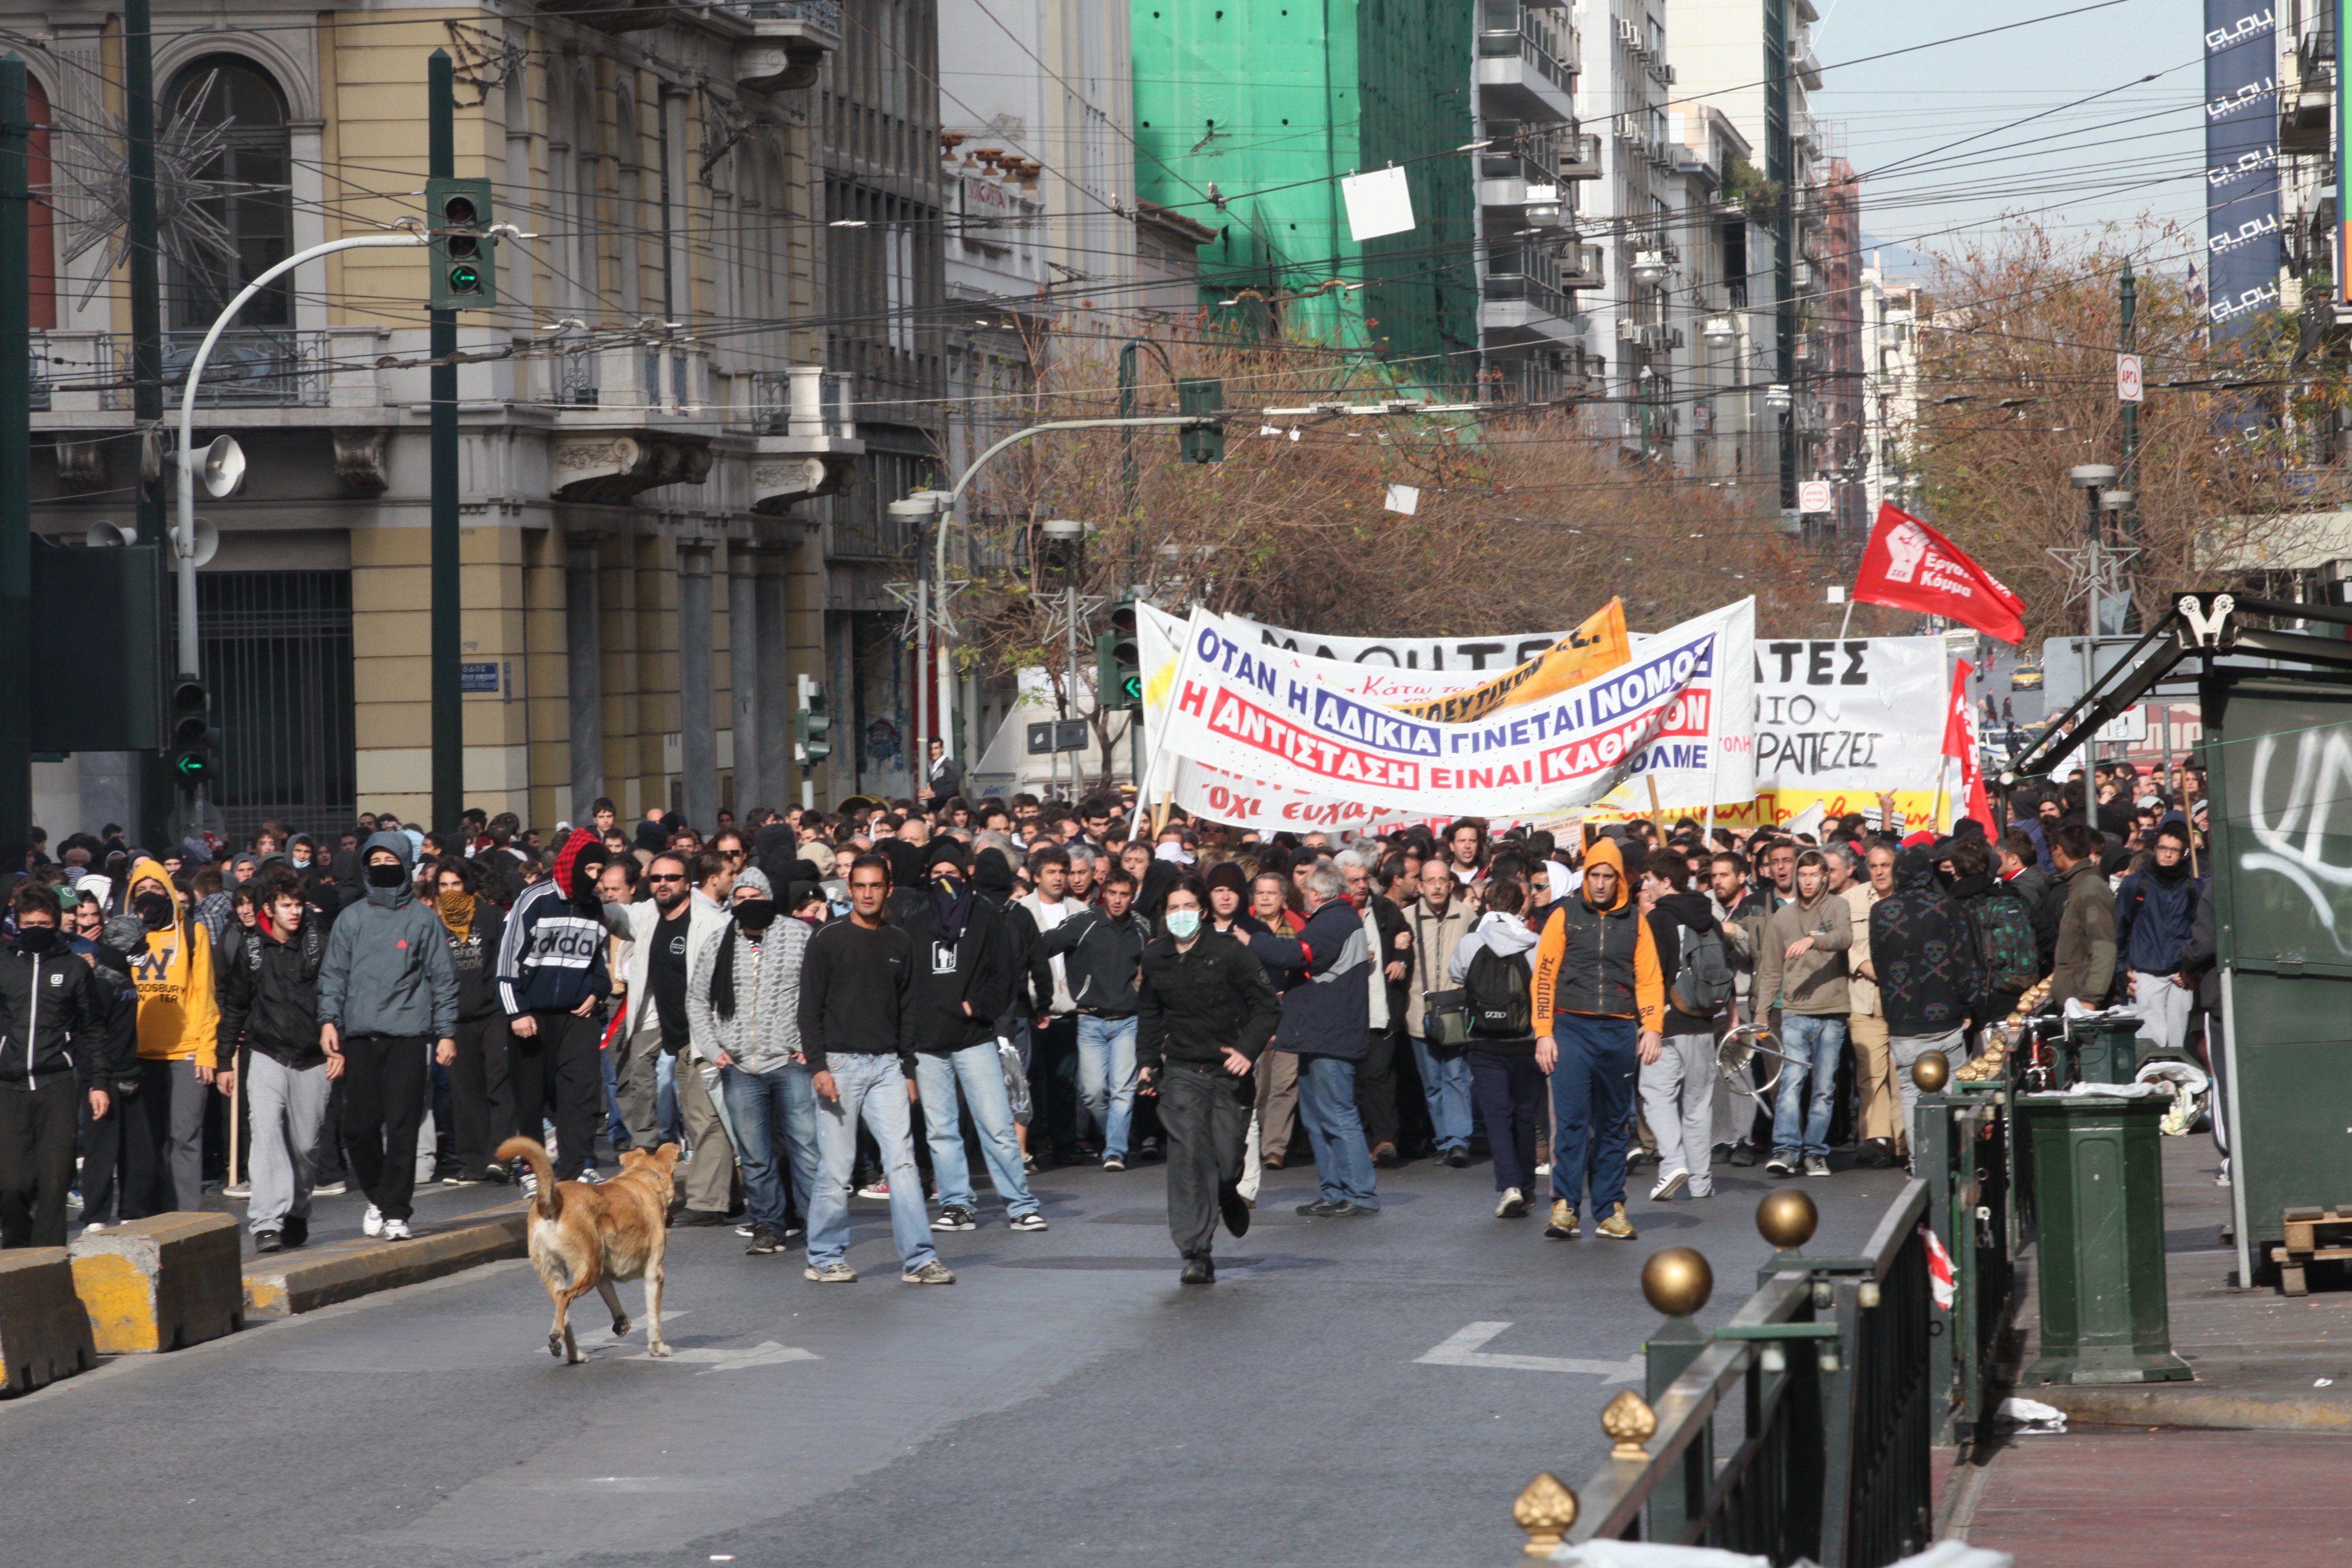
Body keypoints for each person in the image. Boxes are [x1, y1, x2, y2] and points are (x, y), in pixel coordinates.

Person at [797, 855, 953, 1285]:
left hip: (887, 1066)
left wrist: (907, 1069)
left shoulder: (901, 943)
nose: (867, 893)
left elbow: (908, 1011)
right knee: (836, 1167)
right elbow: (808, 1007)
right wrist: (819, 1066)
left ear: (888, 889)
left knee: (902, 1164)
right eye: (860, 886)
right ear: (850, 887)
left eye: (876, 886)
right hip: (839, 1064)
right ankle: (825, 1256)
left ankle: (920, 1259)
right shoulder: (827, 939)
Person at [1136, 876, 1282, 1284]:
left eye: (1188, 907)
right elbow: (1149, 1014)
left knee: (1225, 1161)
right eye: (1172, 908)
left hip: (1227, 1073)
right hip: (1181, 1072)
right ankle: (1196, 1251)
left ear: (1201, 911)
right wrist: (1147, 1063)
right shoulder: (1155, 958)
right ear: (1164, 915)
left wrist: (1247, 1050)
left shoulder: (1231, 953)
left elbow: (1267, 1008)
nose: (1180, 915)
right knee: (1187, 1160)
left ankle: (1226, 1189)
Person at [898, 840, 1047, 1232]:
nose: (944, 882)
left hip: (974, 1039)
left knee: (996, 1126)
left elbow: (1005, 977)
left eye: (951, 875)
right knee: (943, 1131)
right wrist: (909, 1048)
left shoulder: (986, 920)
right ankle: (957, 1205)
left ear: (966, 878)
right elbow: (905, 988)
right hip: (929, 1047)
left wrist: (976, 1007)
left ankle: (1019, 1204)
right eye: (936, 876)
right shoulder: (914, 925)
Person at [318, 831, 459, 1241]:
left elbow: (444, 980)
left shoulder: (423, 919)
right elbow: (333, 975)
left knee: (402, 1126)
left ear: (405, 863)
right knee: (358, 1129)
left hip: (408, 1036)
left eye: (389, 861)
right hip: (360, 1036)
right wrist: (329, 1020)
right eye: (374, 862)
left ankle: (397, 1211)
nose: (382, 868)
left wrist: (446, 1032)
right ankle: (379, 1197)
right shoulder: (351, 918)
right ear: (364, 866)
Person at [1529, 835, 1658, 1241]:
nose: (1601, 884)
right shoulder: (1563, 916)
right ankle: (1565, 1206)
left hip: (1619, 1030)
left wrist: (1653, 1027)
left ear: (1620, 879)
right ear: (1586, 877)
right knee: (1569, 1121)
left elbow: (1650, 978)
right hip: (1571, 1028)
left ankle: (1609, 1208)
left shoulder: (1637, 922)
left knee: (1613, 1123)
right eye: (1595, 875)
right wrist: (1543, 1033)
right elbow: (1544, 977)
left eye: (1609, 876)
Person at [689, 868, 820, 1255]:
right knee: (755, 1156)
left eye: (755, 897)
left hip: (790, 1061)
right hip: (740, 1068)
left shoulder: (798, 935)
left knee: (806, 1150)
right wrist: (715, 1050)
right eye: (741, 898)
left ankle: (819, 1225)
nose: (748, 905)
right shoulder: (718, 942)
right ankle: (768, 1224)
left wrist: (809, 1044)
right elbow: (697, 1000)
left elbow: (819, 991)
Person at [604, 849, 736, 1221]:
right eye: (657, 878)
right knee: (631, 1075)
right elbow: (616, 916)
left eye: (672, 878)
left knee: (703, 1115)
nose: (663, 884)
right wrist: (586, 895)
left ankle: (709, 1204)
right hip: (662, 1021)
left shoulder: (710, 921)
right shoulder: (646, 913)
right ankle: (728, 1193)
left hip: (702, 1028)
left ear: (687, 882)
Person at [1248, 862, 1379, 1216]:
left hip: (1329, 1035)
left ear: (1319, 893)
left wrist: (1253, 939)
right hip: (1317, 1034)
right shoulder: (1338, 919)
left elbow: (1295, 954)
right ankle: (1335, 1190)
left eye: (1305, 891)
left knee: (1337, 1114)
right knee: (1318, 1118)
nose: (1300, 897)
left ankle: (1359, 1193)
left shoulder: (1333, 920)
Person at [214, 870, 328, 1252]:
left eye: (298, 905)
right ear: (269, 909)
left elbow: (334, 996)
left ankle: (298, 1208)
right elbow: (235, 1007)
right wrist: (224, 1060)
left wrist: (338, 1044)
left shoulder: (317, 944)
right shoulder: (252, 950)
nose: (294, 913)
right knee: (264, 1135)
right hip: (265, 1054)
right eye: (286, 906)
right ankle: (266, 1221)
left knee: (306, 1145)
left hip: (312, 1058)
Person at [495, 828, 614, 1188]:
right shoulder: (534, 899)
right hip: (532, 1015)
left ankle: (577, 1166)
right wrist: (518, 1012)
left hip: (578, 1015)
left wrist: (597, 992)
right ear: (574, 863)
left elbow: (599, 962)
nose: (594, 879)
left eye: (599, 872)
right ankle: (531, 1169)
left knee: (582, 1091)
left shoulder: (594, 907)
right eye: (590, 869)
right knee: (531, 1096)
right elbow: (507, 962)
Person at [0, 885, 105, 1247]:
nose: (37, 929)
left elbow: (92, 1027)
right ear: (18, 923)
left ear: (55, 923)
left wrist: (99, 1082)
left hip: (57, 1082)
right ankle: (16, 1256)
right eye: (30, 923)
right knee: (11, 1183)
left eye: (44, 923)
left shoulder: (73, 967)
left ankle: (49, 1260)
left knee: (55, 1180)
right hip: (9, 1085)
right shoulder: (4, 964)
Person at [119, 854, 222, 1213]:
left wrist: (208, 1052)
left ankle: (187, 1220)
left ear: (170, 891)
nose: (149, 895)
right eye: (141, 889)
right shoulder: (125, 933)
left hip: (186, 1051)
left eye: (156, 888)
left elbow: (205, 996)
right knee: (149, 1142)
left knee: (186, 1137)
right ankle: (153, 1217)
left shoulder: (194, 933)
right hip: (138, 1053)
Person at [1033, 864, 1151, 1172]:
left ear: (1133, 897)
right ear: (1104, 893)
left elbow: (1154, 970)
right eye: (1112, 893)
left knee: (1123, 1091)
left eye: (1125, 895)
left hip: (1128, 1020)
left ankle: (1115, 1150)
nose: (1117, 900)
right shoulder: (1083, 922)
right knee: (1093, 1092)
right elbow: (1047, 943)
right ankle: (1114, 1131)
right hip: (1090, 1020)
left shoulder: (1142, 929)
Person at [1872, 845, 1987, 1153]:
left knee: (1910, 1091)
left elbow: (1879, 961)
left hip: (1902, 1020)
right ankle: (1950, 1159)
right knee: (1949, 1089)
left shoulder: (1881, 911)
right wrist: (1966, 1004)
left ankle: (1920, 1162)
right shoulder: (1948, 907)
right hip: (1945, 1017)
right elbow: (1965, 961)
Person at [1750, 849, 1853, 1179]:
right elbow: (1769, 969)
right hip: (1793, 1011)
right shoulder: (1782, 917)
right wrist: (1762, 1013)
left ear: (1825, 876)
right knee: (1792, 1082)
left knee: (1824, 1087)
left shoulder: (1838, 906)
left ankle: (1816, 1153)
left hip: (1832, 1011)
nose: (1808, 881)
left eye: (1814, 875)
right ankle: (1785, 1149)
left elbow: (1845, 937)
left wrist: (1812, 940)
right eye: (1803, 875)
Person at [1447, 878, 1545, 1218]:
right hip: (1527, 1042)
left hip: (1483, 1041)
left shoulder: (1471, 942)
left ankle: (1510, 1187)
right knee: (1524, 1115)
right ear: (1522, 907)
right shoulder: (1536, 944)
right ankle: (1529, 1187)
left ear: (1488, 906)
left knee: (1496, 1116)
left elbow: (1456, 974)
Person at [1637, 849, 1727, 1202]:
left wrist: (1647, 1025)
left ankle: (1672, 1162)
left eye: (1649, 880)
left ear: (1666, 881)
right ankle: (1702, 1182)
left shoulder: (1657, 920)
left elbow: (1649, 974)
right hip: (1704, 1020)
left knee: (1655, 1094)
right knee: (1698, 1106)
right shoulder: (1710, 917)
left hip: (1667, 1022)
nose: (1646, 887)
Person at [431, 858, 508, 1184]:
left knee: (499, 1083)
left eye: (456, 884)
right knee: (465, 1093)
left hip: (493, 1013)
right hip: (456, 1018)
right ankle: (473, 1162)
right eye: (444, 885)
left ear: (467, 886)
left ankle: (501, 1157)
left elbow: (503, 961)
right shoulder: (434, 924)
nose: (450, 891)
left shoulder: (490, 916)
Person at [1338, 849, 1412, 1167]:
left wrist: (1400, 960)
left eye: (1364, 879)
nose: (1361, 886)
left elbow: (1404, 942)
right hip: (1344, 1015)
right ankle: (1359, 1143)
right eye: (1353, 880)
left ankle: (1385, 1140)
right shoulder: (1333, 914)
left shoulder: (1385, 910)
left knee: (1379, 1076)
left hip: (1380, 1009)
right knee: (1352, 1083)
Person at [1404, 855, 1476, 1167]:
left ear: (1450, 885)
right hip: (1417, 1011)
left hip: (1455, 1010)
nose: (1436, 886)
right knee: (1432, 1081)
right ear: (1419, 886)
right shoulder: (1405, 918)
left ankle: (1459, 1141)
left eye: (1442, 881)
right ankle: (1445, 1140)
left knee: (1456, 1075)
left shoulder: (1467, 915)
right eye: (1430, 881)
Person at [1016, 844, 1084, 1164]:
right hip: (1032, 1009)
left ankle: (1064, 1142)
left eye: (1062, 872)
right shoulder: (1021, 911)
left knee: (1064, 1079)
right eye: (1052, 872)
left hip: (1069, 1008)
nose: (1058, 878)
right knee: (1029, 1079)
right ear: (1036, 876)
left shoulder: (1081, 910)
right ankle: (1032, 1141)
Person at [2114, 822, 2203, 1055]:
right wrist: (2122, 970)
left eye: (2173, 850)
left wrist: (2192, 970)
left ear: (2183, 853)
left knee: (2178, 1046)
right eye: (2163, 847)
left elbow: (2200, 932)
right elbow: (2119, 930)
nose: (2166, 854)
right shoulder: (2135, 884)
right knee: (2151, 1047)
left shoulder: (2193, 888)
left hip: (2180, 977)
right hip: (2146, 975)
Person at [1844, 843, 1898, 1169]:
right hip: (1864, 996)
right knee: (1870, 1073)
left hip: (1902, 996)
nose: (1879, 872)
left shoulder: (1908, 899)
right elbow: (1840, 940)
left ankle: (1904, 1141)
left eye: (1886, 865)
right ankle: (1877, 1139)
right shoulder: (1851, 900)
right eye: (1874, 866)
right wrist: (1860, 963)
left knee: (1900, 1070)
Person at [1248, 870, 1304, 1167]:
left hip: (1289, 1015)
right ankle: (1251, 1143)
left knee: (1284, 1084)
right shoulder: (1243, 931)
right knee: (1258, 1087)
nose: (1266, 898)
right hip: (1252, 1017)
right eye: (1260, 893)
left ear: (1283, 898)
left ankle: (1274, 1149)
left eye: (1272, 893)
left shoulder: (1299, 930)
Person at [2047, 822, 2120, 1011]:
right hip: (2073, 1003)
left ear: (2059, 850)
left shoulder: (2091, 889)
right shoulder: (2078, 887)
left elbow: (2103, 946)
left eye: (2052, 849)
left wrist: (2090, 999)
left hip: (2084, 1006)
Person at [923, 736, 963, 810]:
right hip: (933, 809)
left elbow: (953, 788)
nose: (933, 752)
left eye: (936, 748)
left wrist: (935, 794)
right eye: (930, 749)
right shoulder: (927, 766)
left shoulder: (950, 765)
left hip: (947, 809)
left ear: (942, 748)